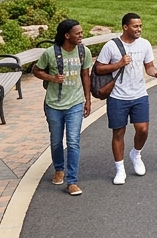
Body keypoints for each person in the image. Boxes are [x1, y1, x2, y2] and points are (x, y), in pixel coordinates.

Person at [95, 12, 157, 185]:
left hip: (139, 94)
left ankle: (136, 154)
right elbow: (98, 69)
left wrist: (154, 72)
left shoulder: (145, 44)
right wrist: (118, 64)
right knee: (118, 133)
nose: (139, 29)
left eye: (140, 26)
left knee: (142, 129)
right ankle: (120, 170)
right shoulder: (111, 46)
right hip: (117, 96)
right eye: (135, 26)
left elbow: (148, 67)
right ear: (125, 27)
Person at [31, 19, 93, 196]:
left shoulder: (83, 51)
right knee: (56, 140)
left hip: (75, 103)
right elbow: (36, 70)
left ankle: (72, 181)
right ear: (67, 35)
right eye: (78, 33)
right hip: (53, 104)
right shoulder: (50, 53)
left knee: (73, 141)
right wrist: (51, 78)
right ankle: (59, 169)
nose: (81, 35)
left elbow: (85, 76)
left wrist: (87, 100)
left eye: (81, 32)